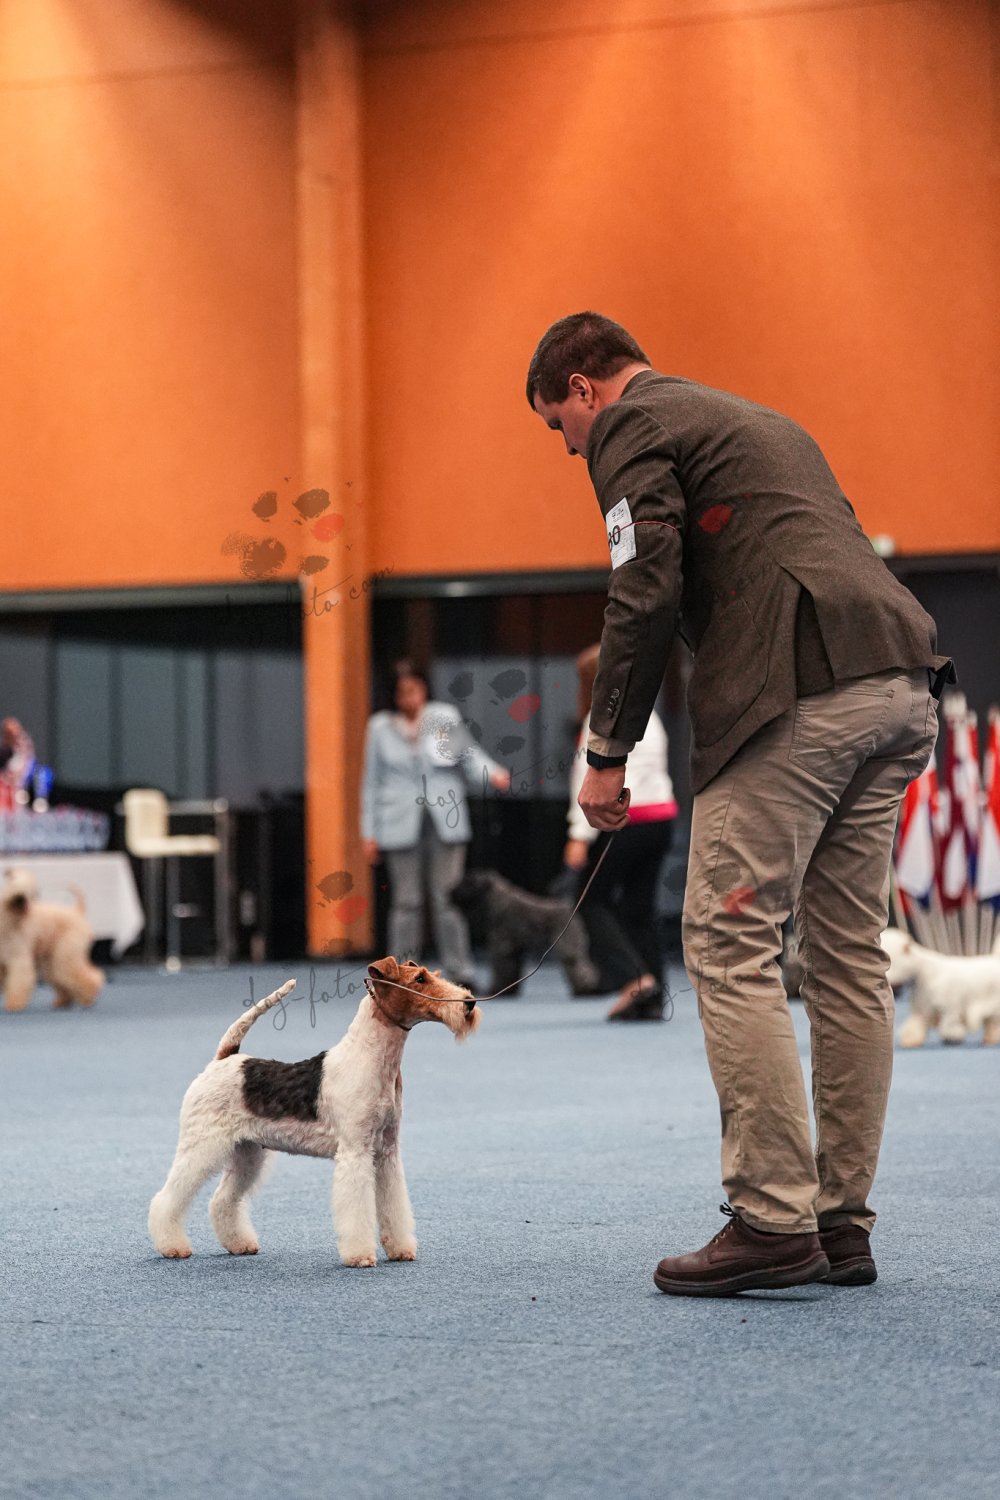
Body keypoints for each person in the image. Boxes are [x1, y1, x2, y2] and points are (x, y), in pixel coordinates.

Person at [527, 311, 951, 1297]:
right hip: (898, 681)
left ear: (583, 389)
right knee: (846, 954)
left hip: (798, 691)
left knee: (727, 942)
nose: (570, 447)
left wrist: (606, 750)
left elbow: (643, 586)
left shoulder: (630, 424)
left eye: (559, 426)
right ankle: (839, 1222)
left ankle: (770, 1218)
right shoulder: (761, 421)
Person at [361, 662, 510, 987]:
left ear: (425, 689)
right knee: (407, 901)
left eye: (415, 690)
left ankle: (460, 971)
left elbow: (470, 755)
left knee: (449, 898)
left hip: (445, 817)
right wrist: (369, 832)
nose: (410, 698)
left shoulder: (443, 717)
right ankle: (399, 975)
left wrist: (493, 773)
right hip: (398, 821)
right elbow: (371, 782)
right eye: (403, 693)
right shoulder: (380, 727)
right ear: (393, 696)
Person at [565, 644, 677, 1021]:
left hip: (626, 821)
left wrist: (578, 836)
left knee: (589, 900)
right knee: (639, 908)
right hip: (661, 819)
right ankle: (653, 994)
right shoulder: (649, 714)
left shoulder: (600, 718)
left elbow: (587, 779)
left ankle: (633, 979)